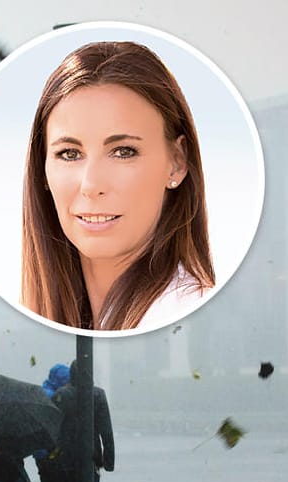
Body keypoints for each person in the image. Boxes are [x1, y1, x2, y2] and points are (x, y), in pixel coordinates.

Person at [21, 41, 214, 331]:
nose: (91, 185)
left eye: (124, 151)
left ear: (177, 161)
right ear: (43, 170)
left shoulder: (189, 316)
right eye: (70, 154)